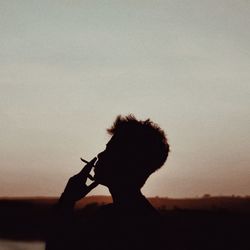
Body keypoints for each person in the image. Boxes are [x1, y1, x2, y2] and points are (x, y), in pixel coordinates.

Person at [46, 115, 169, 250]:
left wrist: (67, 200)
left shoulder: (113, 222)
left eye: (110, 150)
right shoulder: (145, 220)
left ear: (128, 162)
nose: (100, 155)